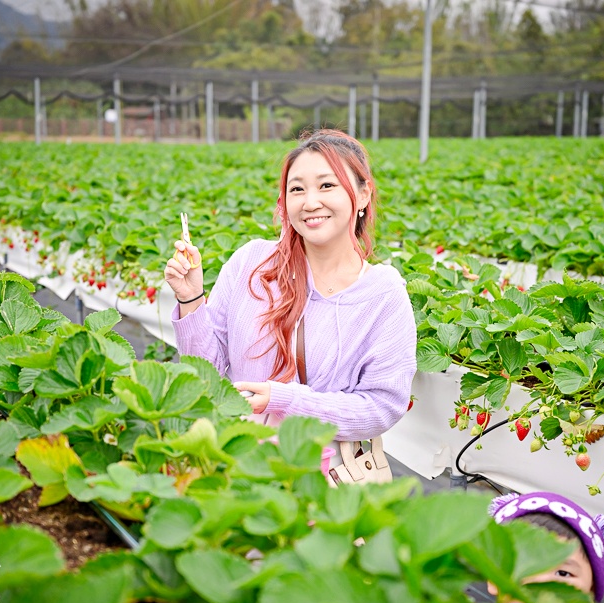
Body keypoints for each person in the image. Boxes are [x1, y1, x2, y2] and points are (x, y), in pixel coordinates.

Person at [163, 128, 417, 441]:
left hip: (319, 475)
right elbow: (207, 374)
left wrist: (285, 401)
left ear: (363, 194)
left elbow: (381, 407)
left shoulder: (382, 294)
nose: (310, 202)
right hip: (236, 461)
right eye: (297, 190)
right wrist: (191, 299)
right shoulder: (251, 263)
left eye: (326, 185)